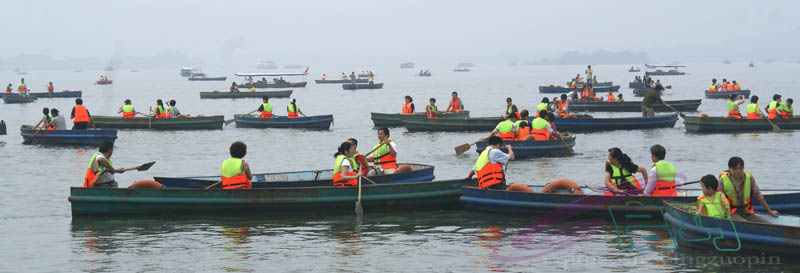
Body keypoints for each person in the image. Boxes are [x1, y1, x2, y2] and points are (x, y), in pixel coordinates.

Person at [718, 156, 778, 222]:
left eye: (740, 168)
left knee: (766, 223)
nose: (738, 171)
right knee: (745, 224)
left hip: (746, 211)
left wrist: (770, 212)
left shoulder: (749, 178)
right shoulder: (722, 180)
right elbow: (718, 199)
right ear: (730, 169)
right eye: (735, 169)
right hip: (731, 213)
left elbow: (758, 196)